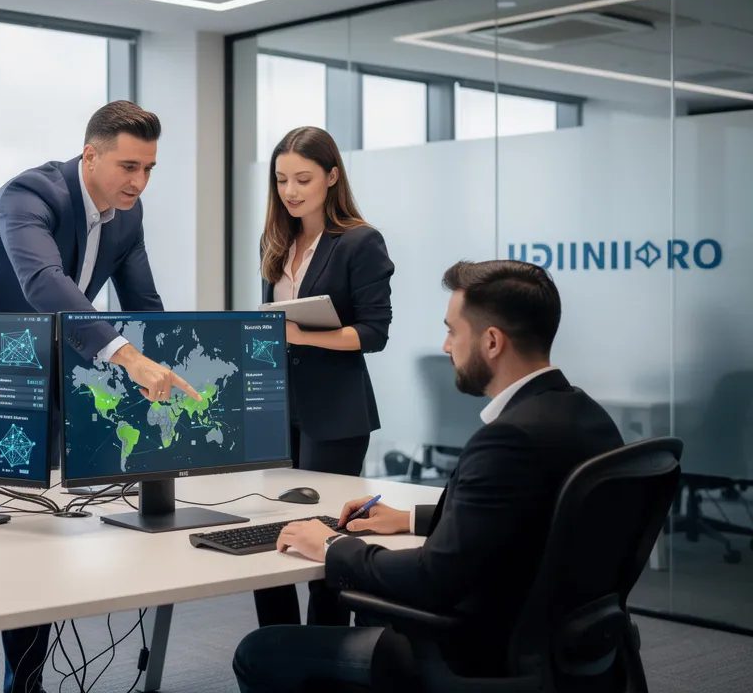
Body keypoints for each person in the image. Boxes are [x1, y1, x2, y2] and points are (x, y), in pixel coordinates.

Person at [232, 260, 625, 691]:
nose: (445, 345)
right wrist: (409, 519)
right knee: (363, 608)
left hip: (470, 650)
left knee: (259, 650)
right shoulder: (587, 416)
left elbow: (432, 579)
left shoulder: (507, 440)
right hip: (563, 641)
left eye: (453, 331)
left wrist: (330, 546)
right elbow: (525, 514)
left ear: (491, 341)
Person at [0, 99, 198, 693]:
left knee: (29, 518)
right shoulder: (29, 195)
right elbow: (42, 283)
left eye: (150, 168)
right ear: (90, 154)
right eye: (129, 166)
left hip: (43, 361)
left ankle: (20, 682)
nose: (139, 181)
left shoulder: (127, 217)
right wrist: (126, 357)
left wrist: (175, 361)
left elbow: (142, 303)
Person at [253, 126, 394, 628]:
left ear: (332, 177)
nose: (290, 191)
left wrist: (298, 336)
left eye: (303, 179)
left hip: (335, 411)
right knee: (268, 529)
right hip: (276, 407)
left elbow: (374, 333)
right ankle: (276, 647)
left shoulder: (359, 242)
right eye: (282, 179)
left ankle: (326, 648)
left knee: (324, 536)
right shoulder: (277, 243)